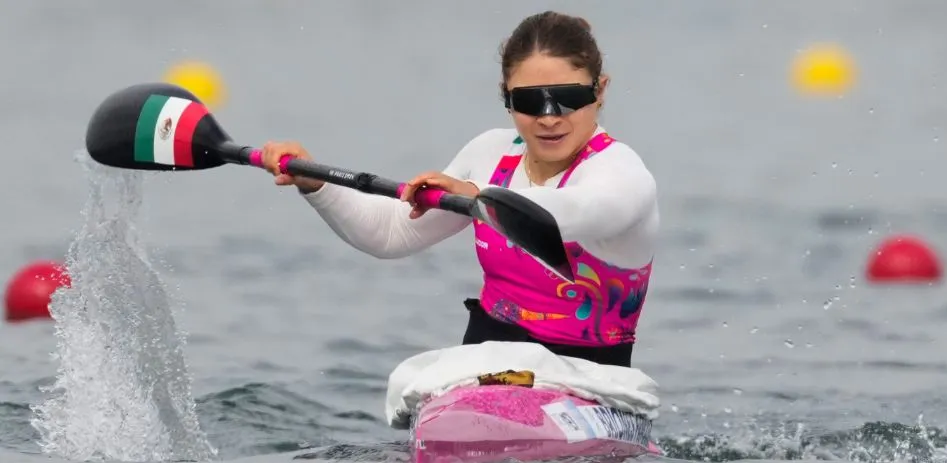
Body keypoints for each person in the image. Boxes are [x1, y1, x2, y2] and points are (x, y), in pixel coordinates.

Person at [260, 11, 659, 368]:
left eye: (568, 98)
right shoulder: (489, 153)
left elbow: (569, 213)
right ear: (506, 97)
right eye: (529, 101)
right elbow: (390, 234)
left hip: (590, 389)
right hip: (483, 376)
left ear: (600, 90)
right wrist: (317, 185)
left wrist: (475, 195)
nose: (549, 118)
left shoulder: (621, 173)